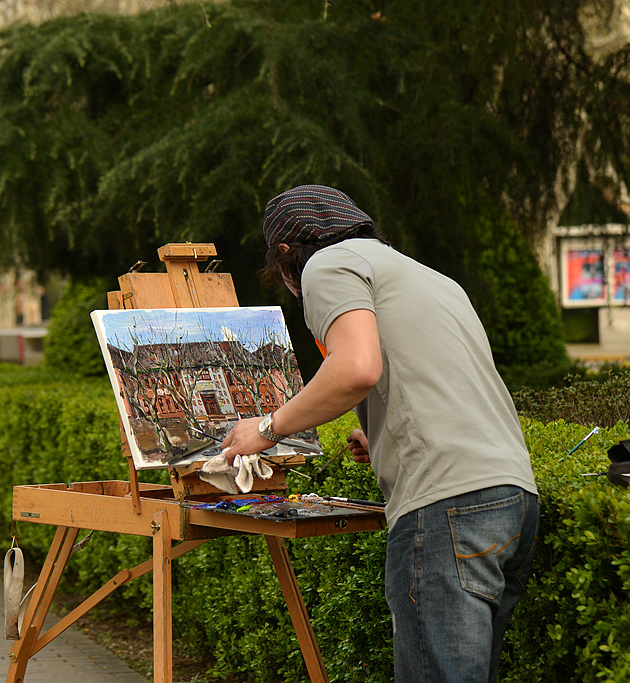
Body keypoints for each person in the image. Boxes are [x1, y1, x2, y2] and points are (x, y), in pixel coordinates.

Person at [220, 184, 540, 683]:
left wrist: (265, 428)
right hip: (511, 498)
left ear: (285, 255)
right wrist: (387, 438)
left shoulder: (326, 265)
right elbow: (442, 382)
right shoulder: (430, 277)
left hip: (448, 504)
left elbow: (356, 369)